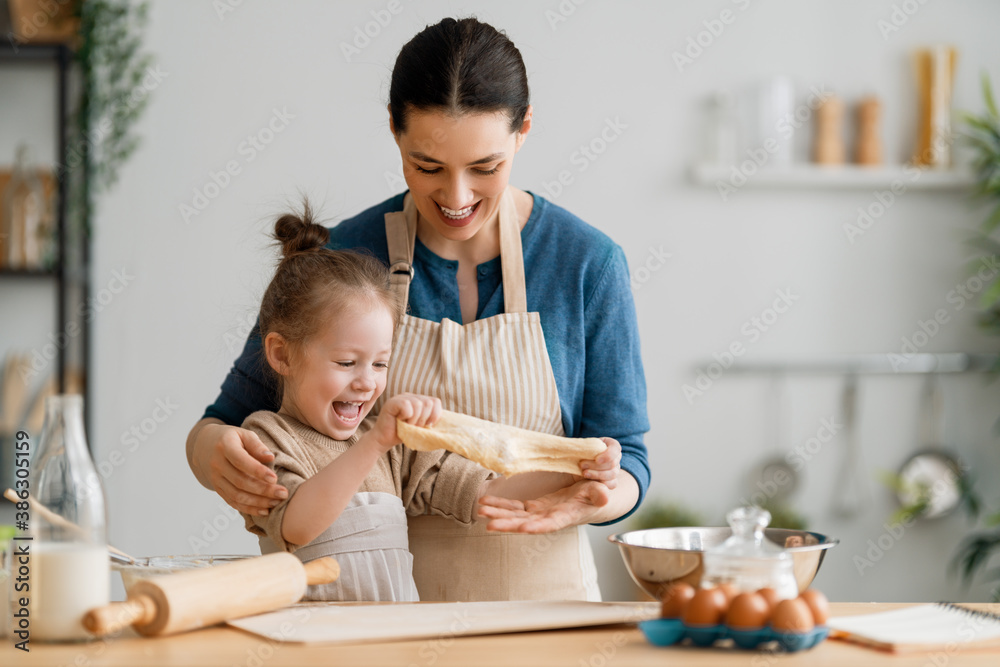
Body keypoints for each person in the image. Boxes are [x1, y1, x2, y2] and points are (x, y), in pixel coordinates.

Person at [187, 17, 649, 601]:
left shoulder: (587, 263)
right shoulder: (343, 260)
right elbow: (225, 418)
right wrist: (212, 455)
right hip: (382, 627)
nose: (457, 199)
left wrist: (603, 492)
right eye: (427, 166)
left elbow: (625, 456)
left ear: (524, 130)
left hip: (544, 613)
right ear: (394, 131)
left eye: (485, 168)